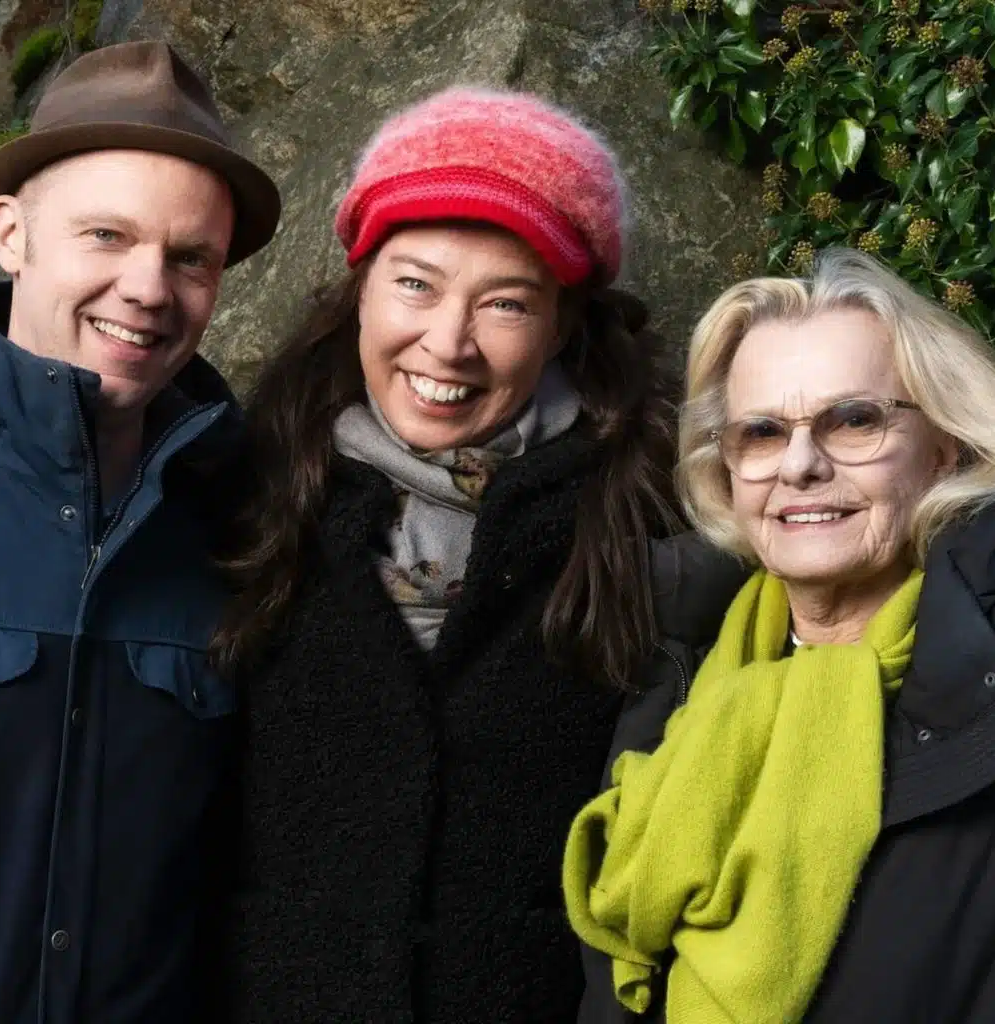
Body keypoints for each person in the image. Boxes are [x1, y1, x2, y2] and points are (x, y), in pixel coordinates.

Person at [208, 87, 743, 1023]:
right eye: (415, 284)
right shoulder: (252, 489)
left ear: (563, 324)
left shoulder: (663, 522)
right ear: (361, 287)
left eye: (505, 303)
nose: (448, 344)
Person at [564, 247, 995, 1024]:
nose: (800, 465)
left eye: (855, 420)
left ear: (944, 447)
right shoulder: (671, 665)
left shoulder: (993, 692)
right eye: (763, 432)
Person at [0, 41, 280, 1024]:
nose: (150, 289)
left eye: (190, 256)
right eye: (107, 235)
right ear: (10, 234)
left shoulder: (246, 522)